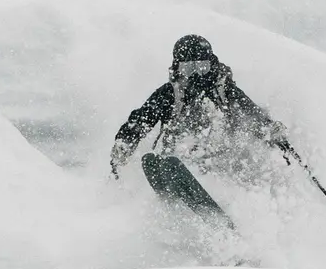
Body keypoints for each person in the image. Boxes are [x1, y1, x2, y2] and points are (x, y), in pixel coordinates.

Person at [111, 35, 292, 208]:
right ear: (178, 68)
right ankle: (176, 182)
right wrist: (126, 140)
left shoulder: (224, 90)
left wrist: (270, 130)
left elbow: (250, 113)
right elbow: (144, 117)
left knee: (231, 140)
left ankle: (227, 198)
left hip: (222, 160)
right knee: (175, 149)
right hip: (178, 155)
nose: (196, 75)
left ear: (211, 65)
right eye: (188, 69)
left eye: (202, 68)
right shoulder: (169, 93)